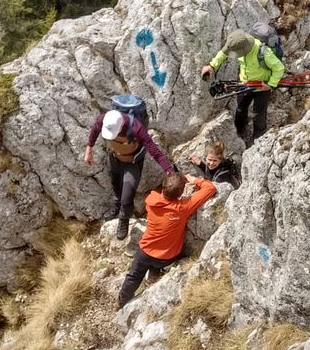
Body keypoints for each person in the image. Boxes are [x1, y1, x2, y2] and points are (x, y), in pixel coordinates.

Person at [117, 171, 217, 308]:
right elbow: (210, 188)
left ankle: (121, 302)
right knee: (175, 251)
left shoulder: (151, 202)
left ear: (163, 187)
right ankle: (155, 272)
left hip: (144, 252)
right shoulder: (183, 208)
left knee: (133, 277)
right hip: (166, 258)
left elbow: (161, 199)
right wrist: (194, 179)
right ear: (181, 193)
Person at [84, 108, 174, 240]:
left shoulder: (136, 128)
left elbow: (155, 152)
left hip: (132, 163)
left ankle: (124, 219)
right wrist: (89, 150)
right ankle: (116, 205)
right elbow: (95, 130)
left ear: (121, 125)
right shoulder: (104, 119)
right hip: (114, 157)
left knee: (127, 195)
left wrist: (169, 172)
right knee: (115, 182)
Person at [200, 28, 285, 144]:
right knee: (240, 108)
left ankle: (259, 137)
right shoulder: (236, 44)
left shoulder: (263, 52)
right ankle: (240, 129)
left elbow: (279, 68)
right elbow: (223, 52)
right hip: (244, 83)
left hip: (262, 85)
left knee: (259, 111)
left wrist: (270, 85)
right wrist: (212, 65)